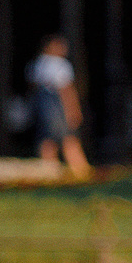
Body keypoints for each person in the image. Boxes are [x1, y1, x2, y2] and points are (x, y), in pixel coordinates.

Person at [28, 36, 91, 177]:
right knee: (68, 137)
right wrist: (73, 110)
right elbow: (66, 90)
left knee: (47, 138)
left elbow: (33, 86)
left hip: (43, 105)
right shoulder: (60, 64)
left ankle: (49, 170)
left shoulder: (38, 63)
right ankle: (80, 170)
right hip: (57, 104)